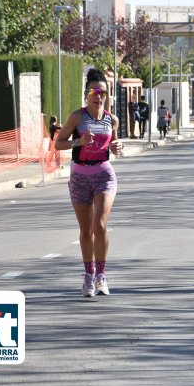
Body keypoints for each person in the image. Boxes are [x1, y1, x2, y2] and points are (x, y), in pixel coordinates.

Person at [55, 68, 124, 297]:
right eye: (94, 91)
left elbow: (115, 144)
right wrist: (80, 142)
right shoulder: (78, 116)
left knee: (100, 224)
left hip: (104, 175)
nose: (98, 96)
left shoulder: (111, 119)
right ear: (87, 94)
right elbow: (59, 143)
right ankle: (88, 275)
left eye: (102, 92)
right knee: (85, 230)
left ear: (106, 95)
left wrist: (118, 146)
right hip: (79, 177)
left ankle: (101, 276)